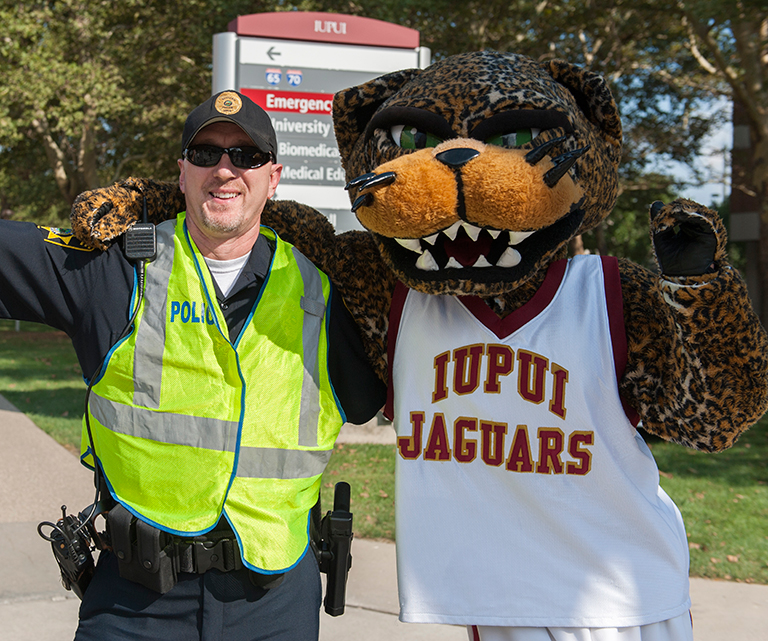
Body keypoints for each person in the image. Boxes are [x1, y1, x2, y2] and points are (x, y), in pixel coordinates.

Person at [0, 90, 385, 641]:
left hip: (274, 603)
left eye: (246, 157)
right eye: (205, 154)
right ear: (181, 174)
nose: (224, 169)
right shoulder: (115, 272)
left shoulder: (332, 292)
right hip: (136, 602)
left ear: (273, 178)